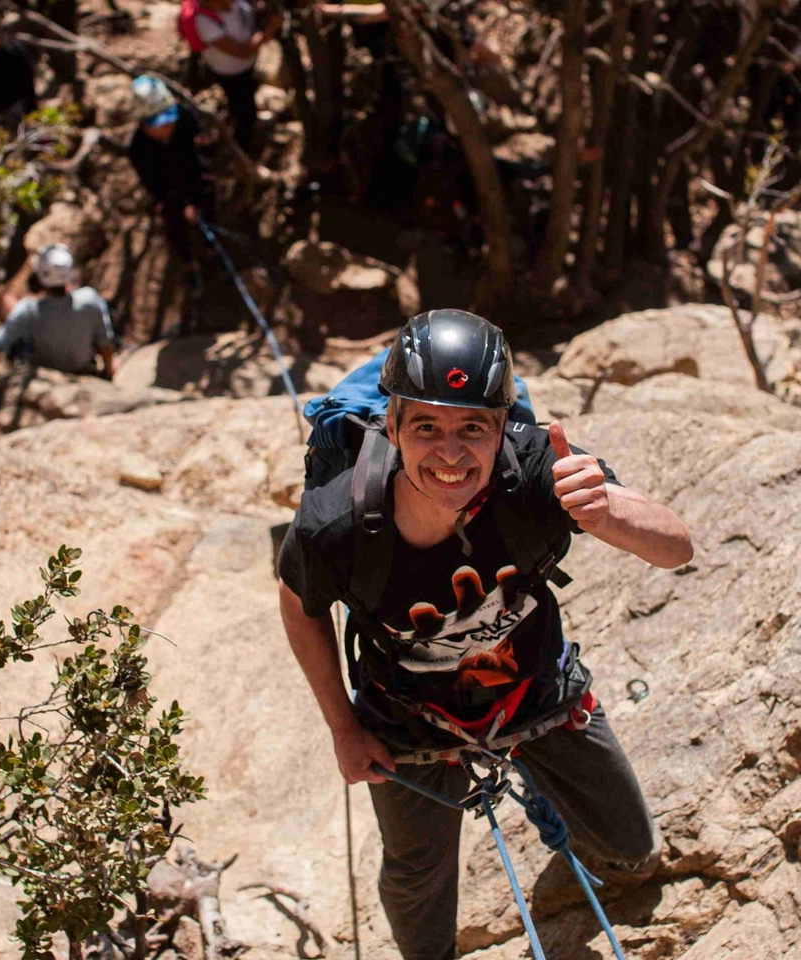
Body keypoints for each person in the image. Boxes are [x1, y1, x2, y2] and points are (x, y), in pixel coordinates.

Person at [277, 310, 693, 960]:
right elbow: (299, 603)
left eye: (473, 427)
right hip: (411, 722)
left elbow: (676, 548)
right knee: (418, 883)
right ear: (392, 427)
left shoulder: (538, 473)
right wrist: (343, 727)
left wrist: (609, 511)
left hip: (536, 693)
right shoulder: (336, 522)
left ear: (504, 428)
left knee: (631, 855)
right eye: (426, 428)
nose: (450, 451)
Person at [127, 76, 211, 298]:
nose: (168, 127)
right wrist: (182, 204)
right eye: (160, 124)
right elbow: (156, 186)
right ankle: (189, 265)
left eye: (169, 120)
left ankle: (212, 251)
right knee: (175, 227)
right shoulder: (138, 150)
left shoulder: (182, 119)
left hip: (195, 177)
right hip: (170, 193)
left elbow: (198, 135)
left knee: (209, 208)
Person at [0, 244, 115, 379]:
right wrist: (109, 371)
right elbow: (105, 343)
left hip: (40, 371)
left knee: (8, 301)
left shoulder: (28, 309)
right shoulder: (90, 299)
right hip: (81, 368)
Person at [189, 0, 281, 149]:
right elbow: (241, 52)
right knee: (245, 113)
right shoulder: (204, 21)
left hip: (247, 66)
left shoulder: (233, 4)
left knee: (247, 96)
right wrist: (270, 29)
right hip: (230, 74)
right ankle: (242, 146)